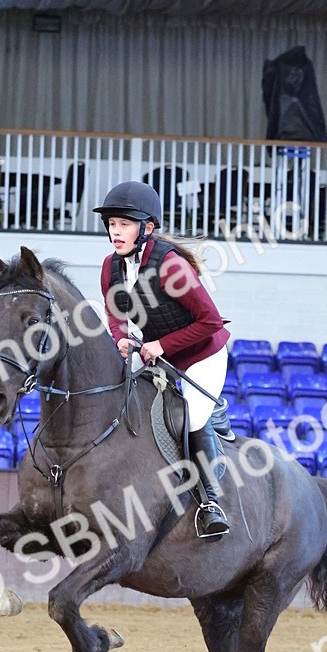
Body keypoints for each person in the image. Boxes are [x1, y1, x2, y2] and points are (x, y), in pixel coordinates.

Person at [93, 181, 231, 539]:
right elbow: (114, 312)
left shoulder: (170, 265)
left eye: (124, 224)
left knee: (194, 416)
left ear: (147, 228)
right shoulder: (111, 267)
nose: (115, 231)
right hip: (160, 354)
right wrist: (121, 337)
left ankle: (210, 502)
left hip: (204, 354)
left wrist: (163, 345)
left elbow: (211, 322)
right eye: (112, 224)